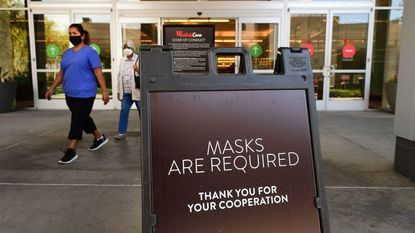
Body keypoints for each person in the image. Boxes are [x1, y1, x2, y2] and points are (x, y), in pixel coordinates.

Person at [45, 23, 110, 164]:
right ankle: (99, 138)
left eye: (74, 33)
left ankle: (71, 150)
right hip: (70, 93)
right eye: (70, 33)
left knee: (76, 120)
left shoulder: (90, 52)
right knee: (82, 117)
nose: (72, 36)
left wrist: (105, 91)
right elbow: (61, 73)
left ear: (83, 35)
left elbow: (98, 72)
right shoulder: (67, 53)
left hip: (86, 92)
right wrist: (52, 88)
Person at [113, 41, 141, 140]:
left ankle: (146, 131)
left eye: (127, 47)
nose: (126, 49)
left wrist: (137, 70)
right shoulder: (122, 60)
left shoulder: (139, 59)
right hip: (126, 92)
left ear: (132, 48)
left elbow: (145, 73)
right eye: (124, 47)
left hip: (137, 92)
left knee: (142, 112)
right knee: (124, 111)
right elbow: (119, 76)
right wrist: (118, 91)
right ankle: (121, 132)